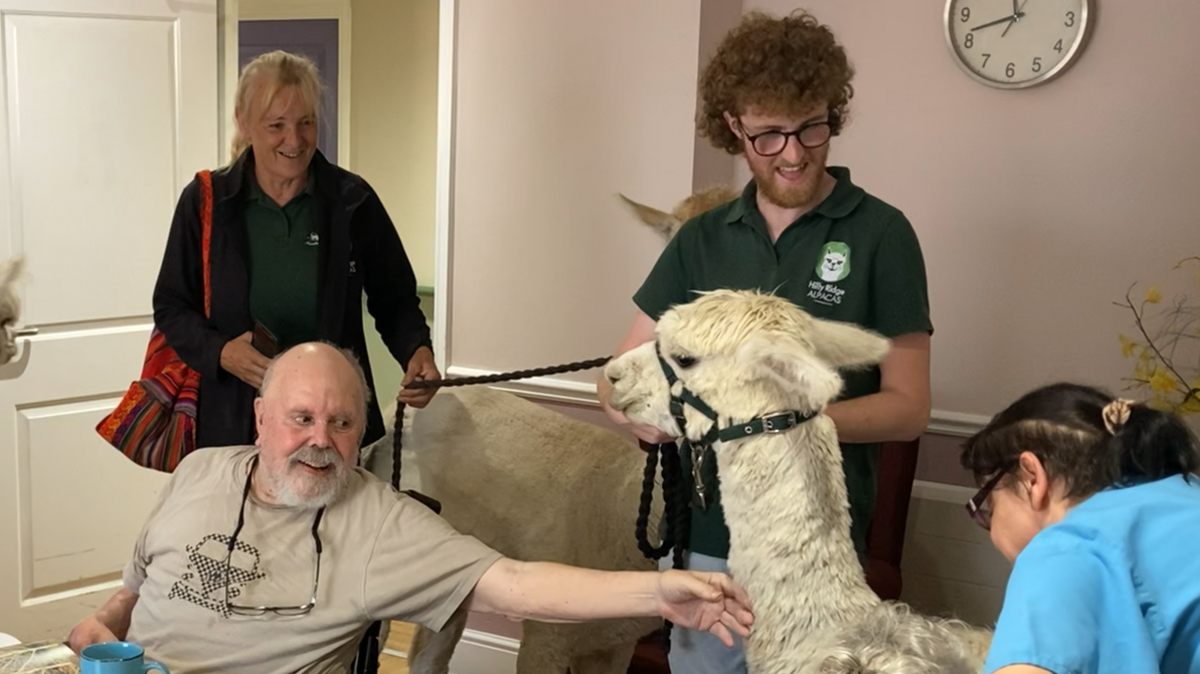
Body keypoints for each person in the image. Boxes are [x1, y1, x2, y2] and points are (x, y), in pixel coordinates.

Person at [66, 342, 754, 673]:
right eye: (300, 418)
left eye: (340, 424)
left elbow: (517, 583)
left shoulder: (381, 523)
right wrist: (102, 621)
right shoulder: (198, 473)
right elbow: (133, 593)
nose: (319, 442)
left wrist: (661, 591)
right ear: (258, 419)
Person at [596, 10, 932, 672]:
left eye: (811, 126)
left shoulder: (882, 236)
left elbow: (909, 406)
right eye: (768, 134)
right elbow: (615, 382)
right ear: (733, 127)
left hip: (815, 551)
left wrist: (780, 422)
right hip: (707, 545)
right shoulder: (702, 240)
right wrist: (642, 417)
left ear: (832, 112)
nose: (795, 152)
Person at [152, 50, 438, 453]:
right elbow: (171, 307)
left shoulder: (352, 202)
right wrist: (221, 352)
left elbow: (394, 299)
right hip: (233, 424)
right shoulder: (205, 202)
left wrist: (417, 350)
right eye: (277, 125)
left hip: (332, 426)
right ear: (243, 122)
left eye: (306, 123)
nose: (295, 140)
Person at [960, 382, 1200, 674]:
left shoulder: (1064, 549)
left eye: (989, 507)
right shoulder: (1187, 493)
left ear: (1030, 477)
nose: (991, 527)